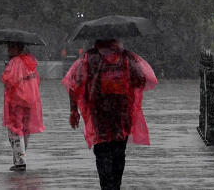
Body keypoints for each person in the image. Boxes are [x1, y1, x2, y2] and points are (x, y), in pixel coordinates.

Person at [62, 39, 158, 190]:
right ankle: (115, 185)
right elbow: (142, 80)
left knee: (102, 151)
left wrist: (73, 109)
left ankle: (106, 185)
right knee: (119, 151)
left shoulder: (89, 58)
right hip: (122, 113)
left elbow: (74, 83)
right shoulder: (127, 57)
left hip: (99, 113)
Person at [1, 42, 44, 171]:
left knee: (15, 129)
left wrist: (7, 68)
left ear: (18, 48)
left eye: (11, 46)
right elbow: (36, 80)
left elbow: (9, 80)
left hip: (17, 100)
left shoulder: (14, 62)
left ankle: (20, 161)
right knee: (25, 130)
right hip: (31, 100)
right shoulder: (30, 62)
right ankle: (22, 156)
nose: (9, 49)